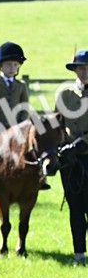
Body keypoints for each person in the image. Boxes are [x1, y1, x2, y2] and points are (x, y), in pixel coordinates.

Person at [0, 41, 46, 189]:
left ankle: (41, 177)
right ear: (1, 65)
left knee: (38, 141)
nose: (13, 68)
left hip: (18, 124)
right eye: (9, 65)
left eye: (16, 65)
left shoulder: (21, 85)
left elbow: (25, 107)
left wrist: (22, 124)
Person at [55, 48, 88, 264]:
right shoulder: (64, 94)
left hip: (86, 155)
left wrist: (79, 144)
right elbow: (57, 124)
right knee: (75, 207)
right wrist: (60, 148)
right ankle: (79, 253)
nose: (83, 73)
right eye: (80, 68)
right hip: (70, 161)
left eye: (86, 68)